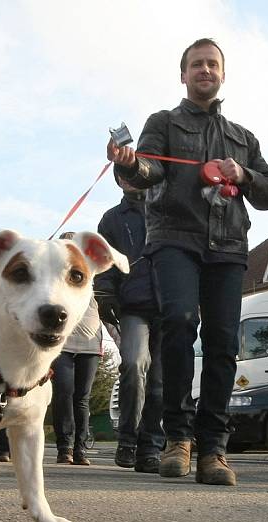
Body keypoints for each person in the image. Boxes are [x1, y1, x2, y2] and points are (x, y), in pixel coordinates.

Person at [106, 38, 268, 485]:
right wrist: (128, 165)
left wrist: (244, 174)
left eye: (212, 64)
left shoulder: (244, 137)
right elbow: (148, 170)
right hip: (174, 239)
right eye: (197, 64)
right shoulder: (162, 122)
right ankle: (178, 439)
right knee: (180, 323)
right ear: (182, 75)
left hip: (229, 245)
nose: (205, 70)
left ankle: (214, 450)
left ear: (223, 74)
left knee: (223, 343)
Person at [95, 170, 164, 474]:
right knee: (134, 365)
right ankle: (127, 439)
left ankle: (151, 445)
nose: (129, 180)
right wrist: (105, 293)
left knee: (161, 380)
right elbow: (104, 263)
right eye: (123, 176)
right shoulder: (111, 220)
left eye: (134, 173)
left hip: (170, 304)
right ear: (118, 182)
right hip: (133, 304)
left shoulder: (167, 209)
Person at [51, 233, 102, 466]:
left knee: (82, 397)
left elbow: (107, 311)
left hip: (90, 347)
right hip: (62, 343)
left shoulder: (91, 272)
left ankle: (80, 449)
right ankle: (65, 447)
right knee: (63, 392)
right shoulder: (52, 279)